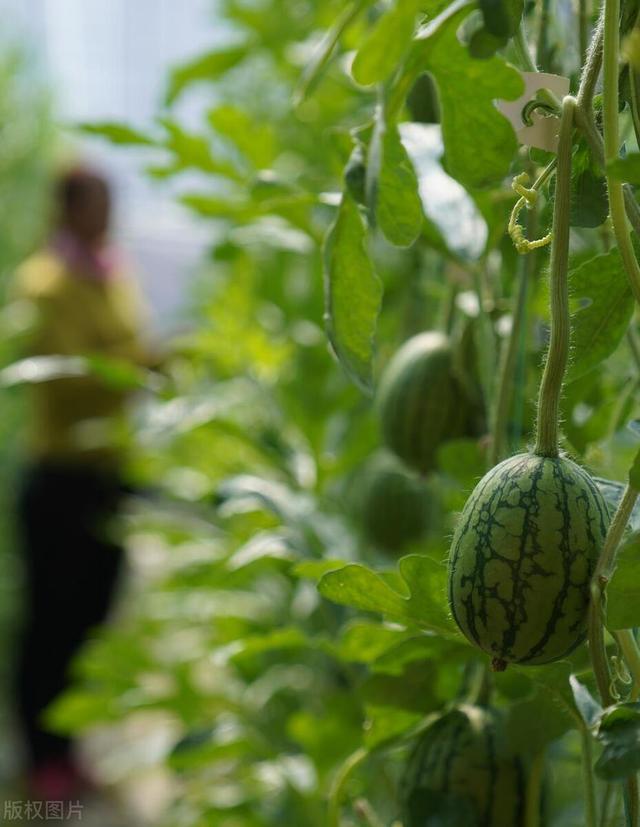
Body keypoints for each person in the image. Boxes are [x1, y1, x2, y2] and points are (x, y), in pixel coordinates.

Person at [11, 166, 151, 800]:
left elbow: (129, 344)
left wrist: (143, 360)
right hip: (59, 478)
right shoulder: (46, 283)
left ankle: (70, 748)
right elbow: (67, 377)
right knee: (51, 623)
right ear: (67, 209)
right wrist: (147, 364)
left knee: (92, 617)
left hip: (107, 473)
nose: (109, 215)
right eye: (99, 203)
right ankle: (41, 759)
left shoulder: (107, 272)